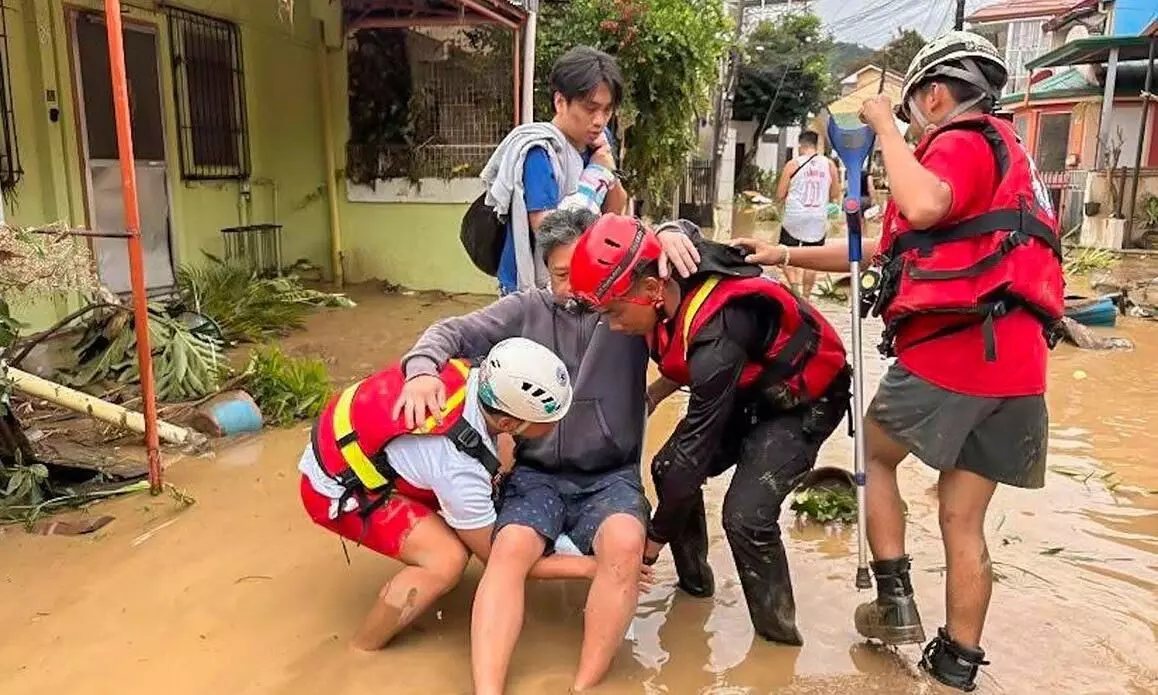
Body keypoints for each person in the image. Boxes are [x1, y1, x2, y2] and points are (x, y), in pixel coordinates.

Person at [731, 30, 1064, 692]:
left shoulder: (961, 144)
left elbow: (923, 205)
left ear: (935, 95)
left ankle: (893, 599)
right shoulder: (1006, 162)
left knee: (874, 451)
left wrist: (883, 123)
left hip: (959, 352)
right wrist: (783, 255)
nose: (908, 118)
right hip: (1018, 370)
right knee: (962, 517)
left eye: (911, 105)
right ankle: (954, 666)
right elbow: (879, 250)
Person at [395, 208, 699, 693]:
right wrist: (422, 370)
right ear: (545, 271)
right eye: (563, 274)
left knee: (624, 546)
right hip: (536, 474)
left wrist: (669, 232)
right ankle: (488, 689)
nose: (580, 288)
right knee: (509, 550)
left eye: (587, 272)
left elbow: (684, 262)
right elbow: (450, 333)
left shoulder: (627, 307)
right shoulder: (524, 310)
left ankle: (584, 684)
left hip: (611, 475)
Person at [567, 213, 852, 646]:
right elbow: (682, 239)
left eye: (614, 312)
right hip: (750, 388)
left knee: (745, 516)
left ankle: (777, 645)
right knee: (664, 468)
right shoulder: (670, 271)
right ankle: (695, 588)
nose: (613, 325)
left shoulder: (720, 330)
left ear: (649, 291)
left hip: (804, 402)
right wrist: (658, 393)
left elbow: (695, 454)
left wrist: (652, 543)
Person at [299, 337, 586, 651]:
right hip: (333, 489)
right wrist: (589, 567)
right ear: (507, 421)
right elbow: (498, 558)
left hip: (353, 444)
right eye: (549, 422)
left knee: (501, 464)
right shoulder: (457, 467)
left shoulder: (474, 373)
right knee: (447, 560)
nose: (557, 425)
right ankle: (363, 648)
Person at [481, 46, 629, 296]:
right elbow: (549, 231)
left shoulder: (599, 143)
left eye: (607, 110)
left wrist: (606, 170)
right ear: (560, 102)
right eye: (590, 108)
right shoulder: (540, 152)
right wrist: (595, 176)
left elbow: (615, 210)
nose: (599, 120)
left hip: (581, 281)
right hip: (531, 288)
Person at [777, 130, 840, 299]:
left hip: (794, 217)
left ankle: (795, 289)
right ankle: (806, 297)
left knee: (785, 254)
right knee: (811, 258)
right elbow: (835, 193)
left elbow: (780, 194)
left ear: (800, 145)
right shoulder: (829, 165)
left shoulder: (793, 164)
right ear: (817, 145)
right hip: (817, 218)